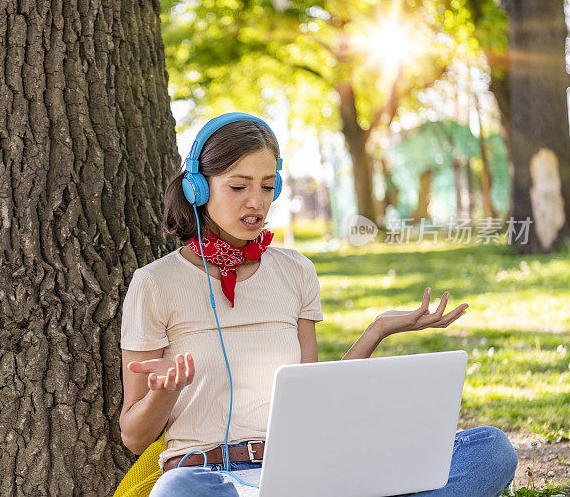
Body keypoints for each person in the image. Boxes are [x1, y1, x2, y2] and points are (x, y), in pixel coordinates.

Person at [119, 113, 518, 497]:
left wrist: (377, 329)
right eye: (239, 187)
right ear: (198, 189)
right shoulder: (155, 283)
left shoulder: (295, 270)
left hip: (302, 474)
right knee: (177, 491)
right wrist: (166, 392)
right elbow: (134, 437)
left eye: (267, 185)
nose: (256, 202)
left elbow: (314, 401)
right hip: (211, 479)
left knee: (489, 449)